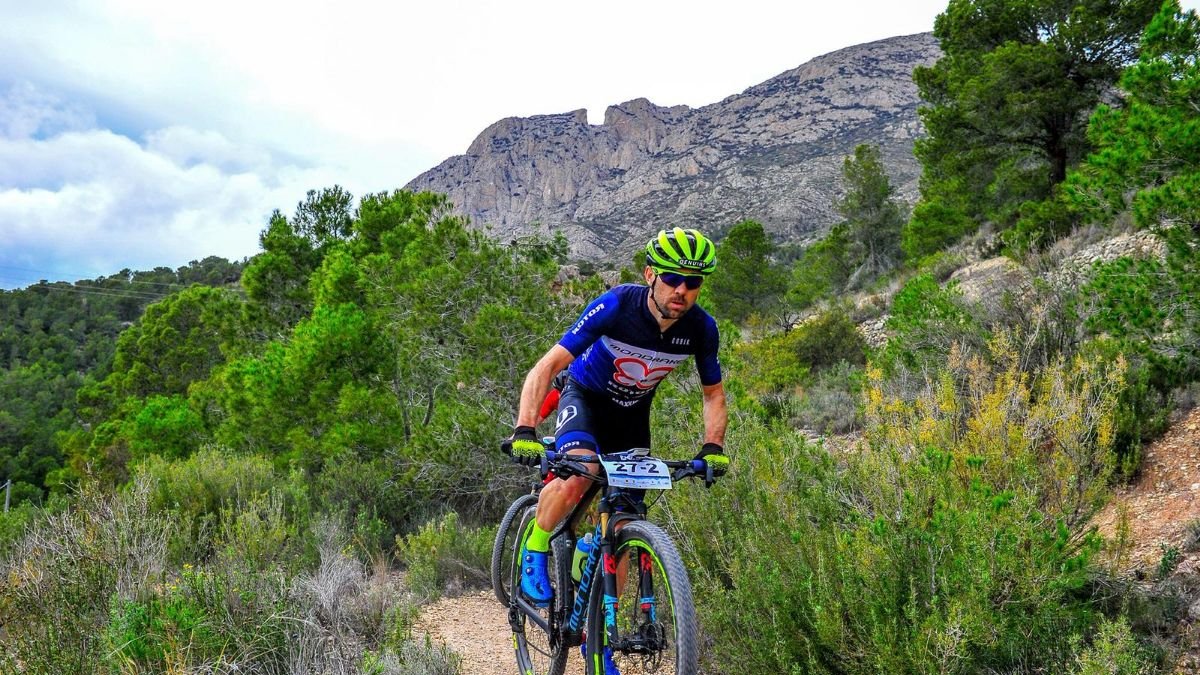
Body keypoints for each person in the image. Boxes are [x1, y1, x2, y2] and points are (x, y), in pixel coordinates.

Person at [505, 227, 730, 616]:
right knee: (581, 471)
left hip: (632, 416)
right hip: (585, 398)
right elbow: (548, 366)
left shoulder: (701, 328)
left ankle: (600, 637)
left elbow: (713, 394)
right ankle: (536, 544)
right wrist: (526, 428)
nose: (681, 290)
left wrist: (713, 447)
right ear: (650, 276)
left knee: (625, 517)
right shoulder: (617, 306)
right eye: (672, 278)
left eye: (692, 282)